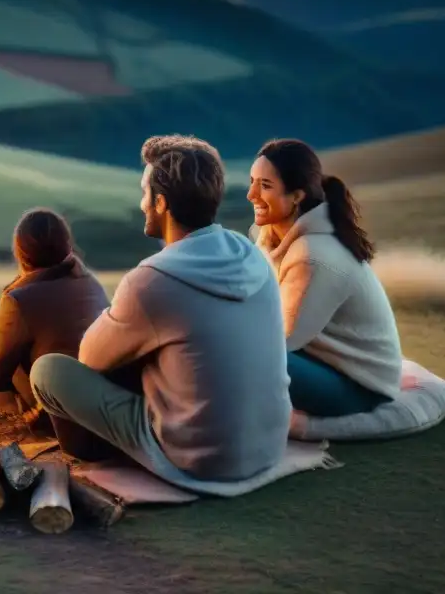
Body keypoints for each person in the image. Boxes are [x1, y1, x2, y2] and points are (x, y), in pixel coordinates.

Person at [30, 135, 292, 486]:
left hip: (198, 459)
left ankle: (96, 452)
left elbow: (90, 359)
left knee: (48, 371)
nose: (141, 204)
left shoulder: (152, 280)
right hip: (268, 448)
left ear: (161, 203)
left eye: (145, 194)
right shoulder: (251, 256)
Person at [248, 138, 402, 417]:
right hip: (319, 361)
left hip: (359, 388)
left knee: (241, 355)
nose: (251, 194)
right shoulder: (270, 239)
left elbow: (283, 342)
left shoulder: (312, 256)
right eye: (252, 182)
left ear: (297, 195)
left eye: (265, 185)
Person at [0, 208, 109, 439]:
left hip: (59, 419)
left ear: (20, 253)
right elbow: (49, 330)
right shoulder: (89, 282)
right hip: (100, 405)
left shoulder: (19, 300)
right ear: (67, 245)